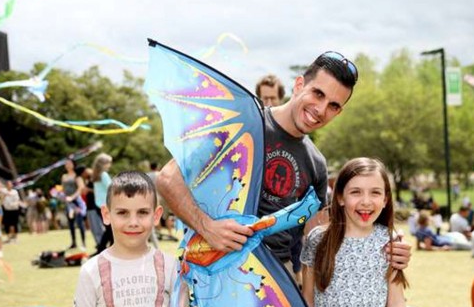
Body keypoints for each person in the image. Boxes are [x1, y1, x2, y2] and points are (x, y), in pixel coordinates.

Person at [156, 51, 412, 278]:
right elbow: (168, 179)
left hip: (278, 284)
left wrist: (383, 245)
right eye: (318, 93)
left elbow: (320, 239)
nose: (321, 109)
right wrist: (207, 227)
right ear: (299, 84)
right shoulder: (243, 124)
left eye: (333, 105)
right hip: (218, 271)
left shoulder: (317, 164)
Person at [73, 171, 196, 307]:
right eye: (122, 213)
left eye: (142, 213)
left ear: (156, 216)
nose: (133, 222)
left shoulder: (171, 267)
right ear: (106, 215)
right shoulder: (91, 271)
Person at [301, 158, 407, 307]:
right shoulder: (317, 240)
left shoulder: (390, 242)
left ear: (385, 200)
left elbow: (396, 302)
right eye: (355, 192)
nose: (366, 201)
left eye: (375, 192)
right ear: (340, 197)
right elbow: (308, 300)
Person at [61, 159, 87, 249]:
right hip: (67, 202)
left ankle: (83, 243)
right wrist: (63, 197)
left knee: (80, 223)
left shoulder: (77, 176)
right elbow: (63, 189)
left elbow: (80, 188)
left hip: (76, 202)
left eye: (69, 163)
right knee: (71, 223)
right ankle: (73, 243)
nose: (67, 165)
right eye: (66, 163)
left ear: (73, 164)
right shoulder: (64, 176)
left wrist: (72, 197)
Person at [92, 153, 114, 254]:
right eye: (108, 163)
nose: (110, 165)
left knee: (109, 229)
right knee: (111, 229)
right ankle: (103, 250)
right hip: (106, 205)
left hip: (98, 205)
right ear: (103, 164)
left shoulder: (96, 175)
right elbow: (111, 188)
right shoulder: (104, 174)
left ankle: (102, 249)